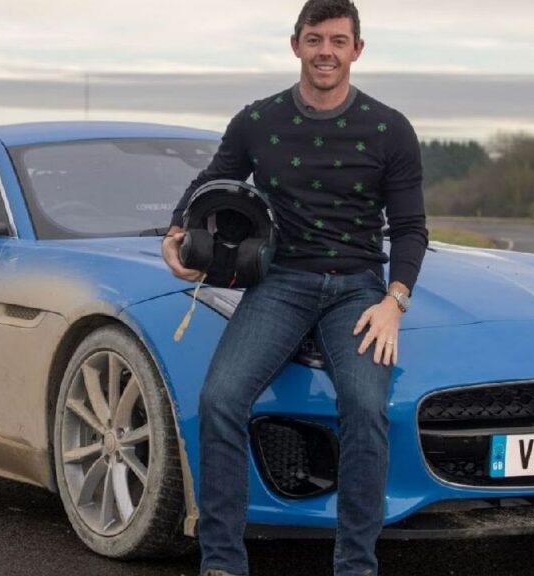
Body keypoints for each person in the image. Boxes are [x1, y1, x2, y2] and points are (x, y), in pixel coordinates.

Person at [161, 1, 428, 574]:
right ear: (295, 45)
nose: (325, 51)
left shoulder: (390, 129)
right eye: (314, 39)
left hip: (358, 290)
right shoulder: (258, 121)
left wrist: (394, 302)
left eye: (337, 40)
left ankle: (355, 565)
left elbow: (410, 229)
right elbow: (213, 180)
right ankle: (222, 563)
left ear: (357, 49)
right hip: (281, 282)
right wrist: (176, 231)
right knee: (220, 400)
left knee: (365, 406)